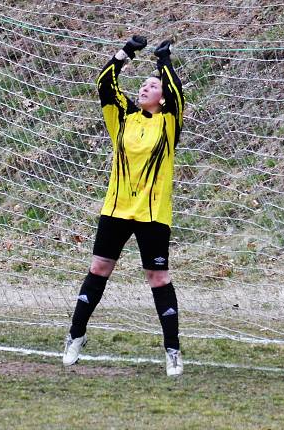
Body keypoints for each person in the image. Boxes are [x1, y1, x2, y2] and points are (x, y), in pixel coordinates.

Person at [62, 35, 185, 376]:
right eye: (143, 84)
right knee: (99, 269)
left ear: (162, 98)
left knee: (158, 278)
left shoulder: (169, 121)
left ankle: (172, 351)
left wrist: (164, 62)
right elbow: (104, 83)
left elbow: (177, 94)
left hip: (153, 215)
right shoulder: (123, 116)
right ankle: (75, 335)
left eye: (152, 86)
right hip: (115, 211)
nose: (145, 88)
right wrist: (127, 52)